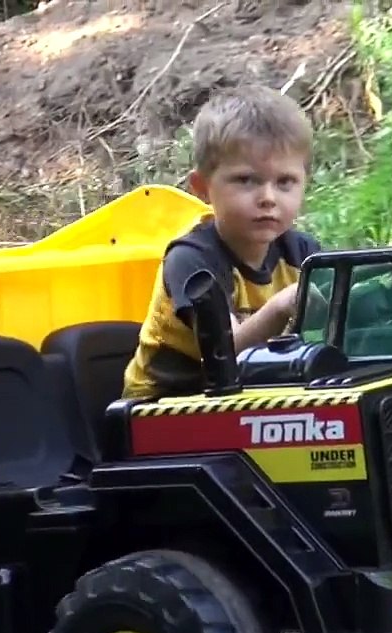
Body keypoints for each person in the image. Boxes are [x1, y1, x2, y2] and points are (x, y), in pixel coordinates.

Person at [121, 84, 321, 400]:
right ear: (202, 187)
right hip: (162, 409)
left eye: (285, 182)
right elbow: (226, 355)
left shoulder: (303, 253)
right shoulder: (191, 259)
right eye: (246, 180)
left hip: (247, 398)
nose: (268, 198)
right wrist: (281, 306)